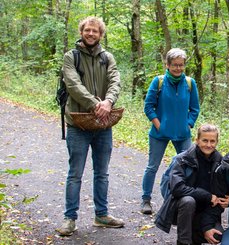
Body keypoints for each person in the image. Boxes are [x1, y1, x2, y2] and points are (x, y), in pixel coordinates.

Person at [56, 16, 124, 236]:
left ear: (101, 34)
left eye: (95, 31)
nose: (91, 34)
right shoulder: (71, 57)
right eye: (88, 30)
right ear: (82, 32)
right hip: (78, 123)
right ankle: (70, 218)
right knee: (75, 173)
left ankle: (101, 215)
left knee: (102, 173)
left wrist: (109, 102)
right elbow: (73, 84)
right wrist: (96, 104)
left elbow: (115, 81)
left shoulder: (107, 57)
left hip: (103, 125)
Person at [141, 48, 200, 214]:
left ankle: (186, 200)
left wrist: (188, 124)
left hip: (182, 134)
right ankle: (146, 200)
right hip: (159, 133)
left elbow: (194, 108)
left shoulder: (189, 83)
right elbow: (148, 106)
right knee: (152, 166)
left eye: (181, 65)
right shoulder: (158, 82)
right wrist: (159, 125)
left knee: (189, 167)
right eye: (174, 65)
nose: (178, 68)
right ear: (167, 65)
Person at [155, 124, 229, 245]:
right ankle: (183, 242)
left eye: (212, 141)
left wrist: (207, 227)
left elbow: (220, 197)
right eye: (205, 140)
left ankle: (196, 234)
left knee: (217, 236)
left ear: (217, 142)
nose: (208, 145)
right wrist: (207, 196)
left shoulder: (221, 163)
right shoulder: (182, 159)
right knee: (188, 201)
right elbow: (177, 188)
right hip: (182, 208)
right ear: (197, 140)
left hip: (206, 210)